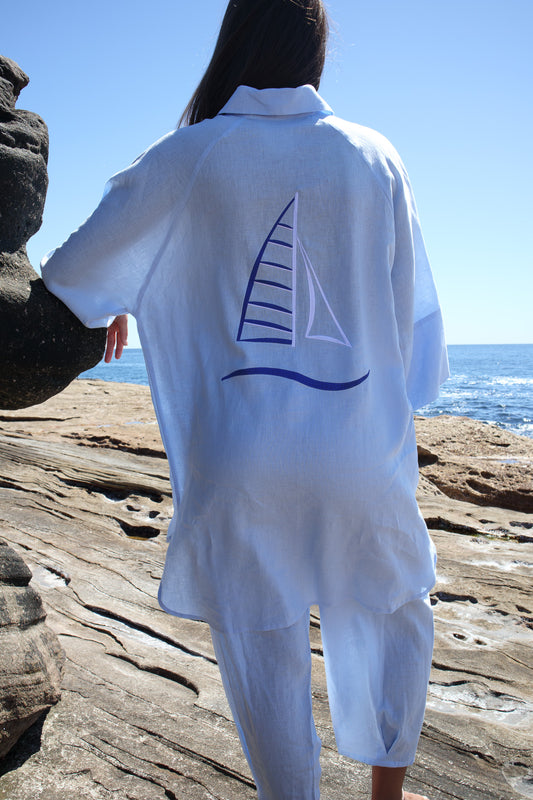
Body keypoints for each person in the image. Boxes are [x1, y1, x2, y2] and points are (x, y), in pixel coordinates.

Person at [41, 1, 449, 798]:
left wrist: (122, 295)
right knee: (392, 605)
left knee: (262, 645)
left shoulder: (188, 155)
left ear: (234, 42)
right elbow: (419, 326)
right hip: (359, 447)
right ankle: (386, 795)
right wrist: (394, 404)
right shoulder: (374, 156)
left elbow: (71, 277)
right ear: (314, 49)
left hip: (240, 459)